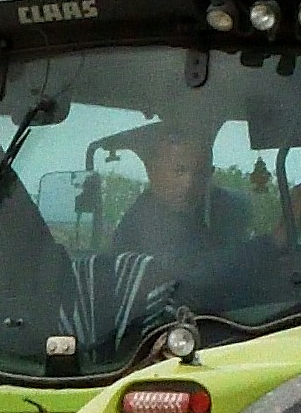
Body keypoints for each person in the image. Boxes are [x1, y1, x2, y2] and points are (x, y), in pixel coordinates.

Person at [97, 117, 281, 318]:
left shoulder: (191, 217)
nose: (189, 183)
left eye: (201, 173)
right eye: (179, 171)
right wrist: (273, 241)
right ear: (151, 170)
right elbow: (190, 277)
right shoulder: (145, 223)